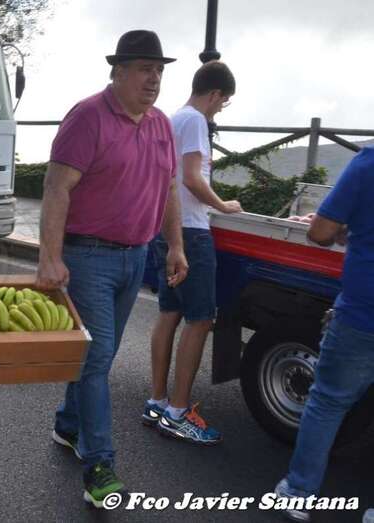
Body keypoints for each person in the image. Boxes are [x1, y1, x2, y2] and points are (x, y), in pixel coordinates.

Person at [35, 30, 188, 507]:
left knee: (96, 356)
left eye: (159, 70)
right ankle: (99, 466)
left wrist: (175, 246)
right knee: (99, 360)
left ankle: (68, 425)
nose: (154, 79)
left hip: (136, 256)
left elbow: (169, 189)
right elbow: (56, 187)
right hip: (89, 258)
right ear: (118, 72)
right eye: (144, 69)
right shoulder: (88, 117)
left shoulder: (161, 124)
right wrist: (49, 256)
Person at [272, 146, 374, 522]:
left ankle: (298, 493)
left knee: (328, 401)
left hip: (363, 314)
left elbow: (320, 232)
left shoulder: (368, 163)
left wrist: (346, 228)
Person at [145, 61, 241, 445]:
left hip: (165, 226)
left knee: (170, 312)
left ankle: (157, 401)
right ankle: (178, 412)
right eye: (224, 101)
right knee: (200, 320)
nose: (220, 109)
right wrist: (223, 205)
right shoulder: (197, 121)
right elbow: (191, 177)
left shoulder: (172, 119)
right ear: (215, 93)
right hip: (191, 231)